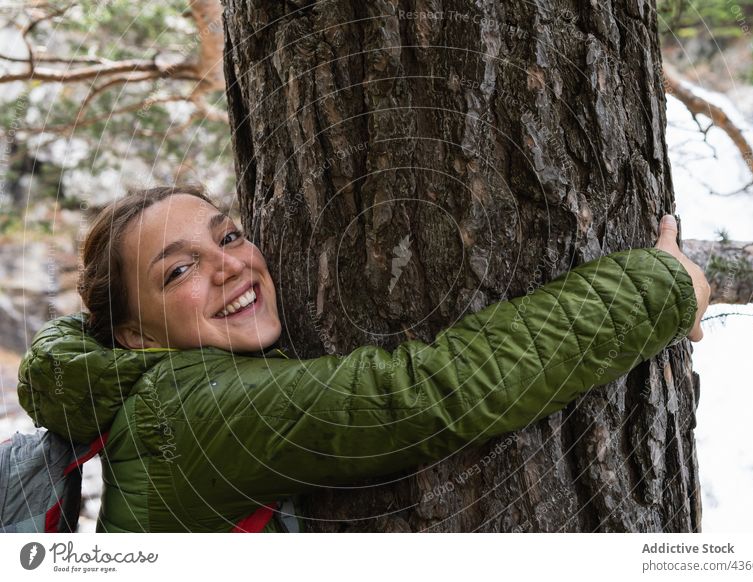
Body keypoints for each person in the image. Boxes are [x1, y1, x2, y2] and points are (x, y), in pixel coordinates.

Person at [16, 185, 709, 532]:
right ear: (134, 336)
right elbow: (418, 396)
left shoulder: (136, 403)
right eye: (178, 271)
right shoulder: (186, 414)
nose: (230, 267)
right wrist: (661, 286)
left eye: (228, 236)